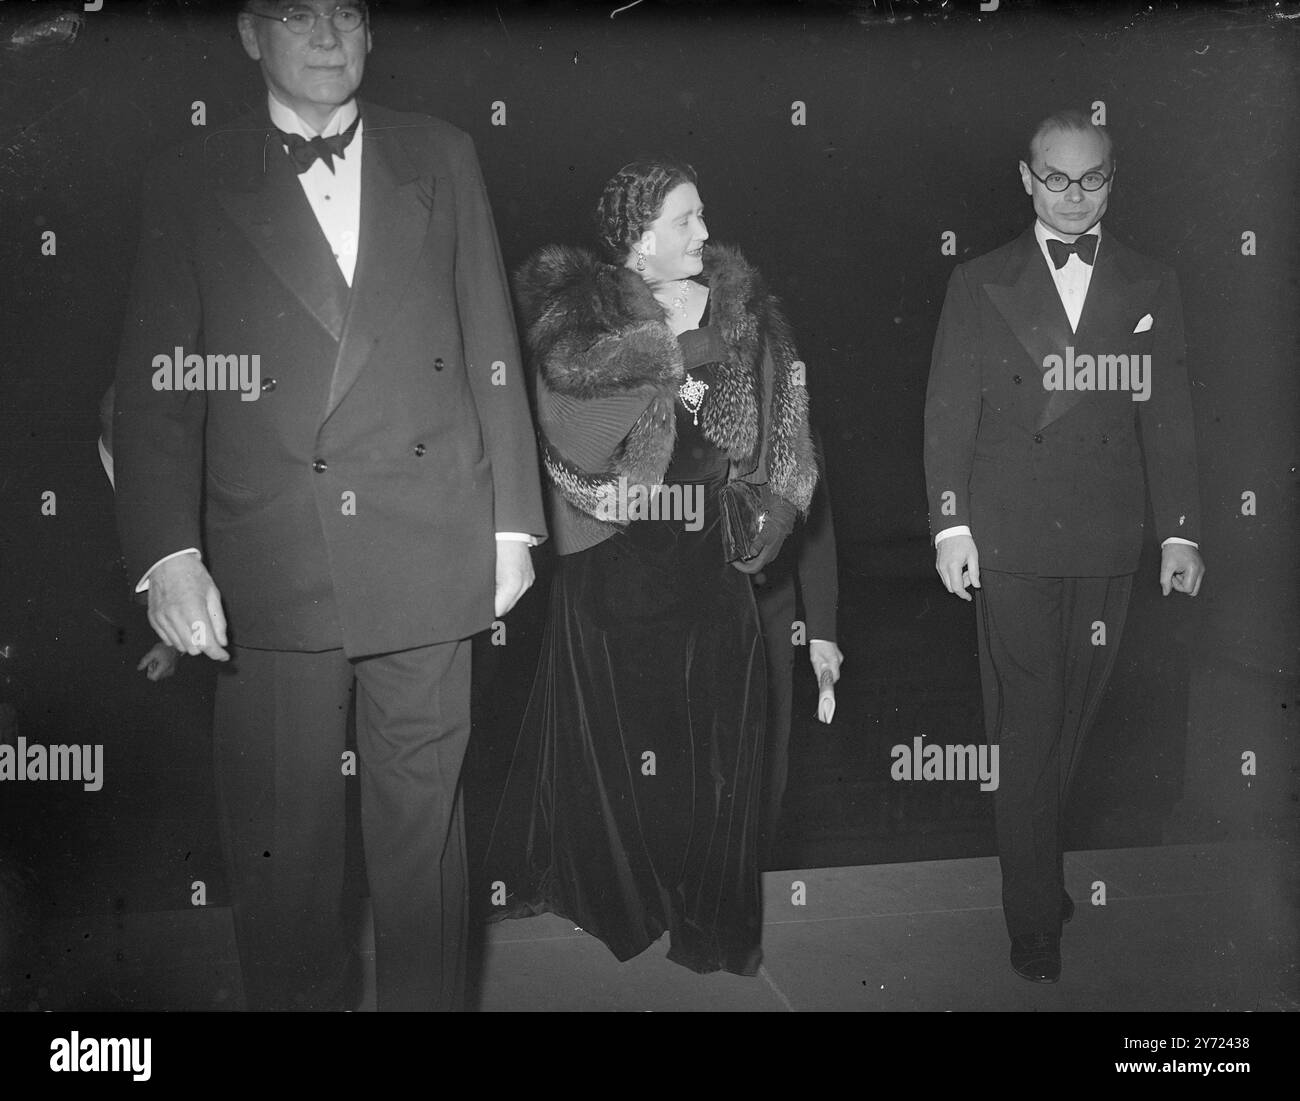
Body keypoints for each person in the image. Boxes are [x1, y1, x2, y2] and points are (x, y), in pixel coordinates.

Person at [113, 0, 545, 1010]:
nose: (324, 34)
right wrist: (169, 553)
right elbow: (157, 385)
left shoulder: (443, 153)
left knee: (426, 850)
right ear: (249, 34)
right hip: (268, 563)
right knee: (283, 852)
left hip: (430, 542)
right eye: (295, 14)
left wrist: (514, 522)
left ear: (371, 32)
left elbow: (492, 343)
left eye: (344, 13)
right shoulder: (189, 172)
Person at [484, 160, 818, 975]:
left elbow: (789, 414)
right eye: (684, 220)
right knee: (634, 748)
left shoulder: (744, 308)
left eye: (702, 216)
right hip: (615, 566)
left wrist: (780, 502)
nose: (704, 233)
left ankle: (711, 923)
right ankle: (632, 901)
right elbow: (572, 441)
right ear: (638, 239)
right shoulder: (579, 316)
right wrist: (672, 354)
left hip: (711, 562)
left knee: (722, 747)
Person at [924, 109, 1204, 983]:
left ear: (1113, 180)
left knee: (1073, 720)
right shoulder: (979, 280)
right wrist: (949, 524)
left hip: (1111, 539)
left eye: (1092, 179)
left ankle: (1034, 853)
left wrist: (1181, 531)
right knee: (1031, 724)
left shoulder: (1151, 280)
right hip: (1008, 538)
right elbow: (947, 410)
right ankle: (1032, 914)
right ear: (1025, 178)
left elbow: (1170, 415)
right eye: (1056, 178)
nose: (1074, 196)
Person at [752, 450, 842, 866]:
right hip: (681, 609)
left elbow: (814, 520)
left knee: (768, 764)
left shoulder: (790, 395)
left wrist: (821, 632)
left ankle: (748, 879)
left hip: (767, 606)